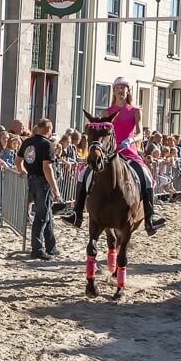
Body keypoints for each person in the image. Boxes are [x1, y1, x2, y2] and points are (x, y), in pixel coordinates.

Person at [67, 77, 167, 235]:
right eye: (118, 88)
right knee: (83, 174)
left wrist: (131, 139)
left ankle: (150, 219)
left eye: (123, 88)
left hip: (129, 150)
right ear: (113, 91)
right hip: (109, 152)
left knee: (146, 176)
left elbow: (140, 133)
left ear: (128, 91)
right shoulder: (107, 112)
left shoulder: (135, 111)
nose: (121, 91)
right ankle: (76, 214)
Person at [18, 119, 64, 260]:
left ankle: (51, 246)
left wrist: (23, 171)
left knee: (47, 213)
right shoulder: (47, 145)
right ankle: (37, 249)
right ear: (49, 129)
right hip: (43, 182)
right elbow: (47, 168)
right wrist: (56, 190)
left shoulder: (27, 142)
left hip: (31, 179)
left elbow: (18, 161)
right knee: (42, 216)